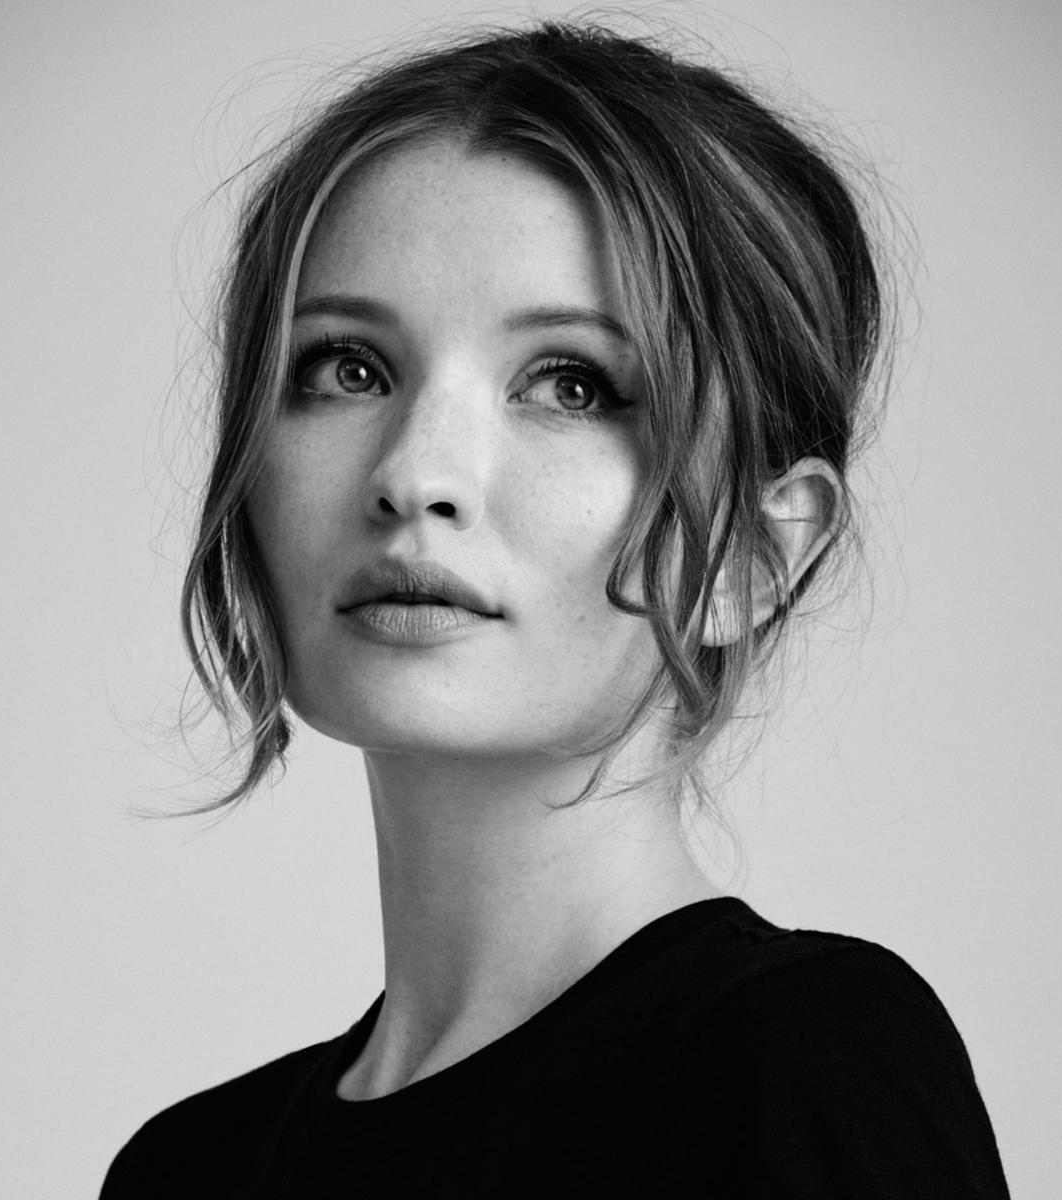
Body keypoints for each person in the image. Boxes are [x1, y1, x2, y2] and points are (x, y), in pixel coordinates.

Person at [104, 20, 1008, 1197]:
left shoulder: (801, 1064)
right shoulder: (187, 1170)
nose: (414, 473)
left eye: (572, 386)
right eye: (347, 368)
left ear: (753, 552)